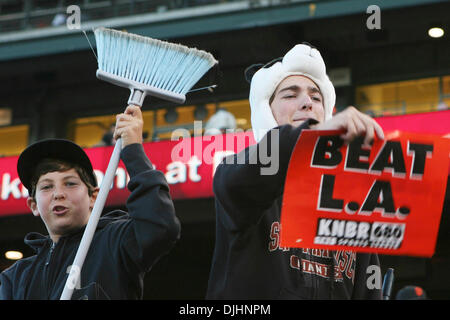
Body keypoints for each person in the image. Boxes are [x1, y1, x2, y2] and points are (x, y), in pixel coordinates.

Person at [206, 43, 384, 299]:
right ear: (266, 110)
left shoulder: (352, 203)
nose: (307, 103)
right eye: (290, 95)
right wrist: (311, 135)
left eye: (316, 97)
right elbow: (237, 182)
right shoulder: (240, 172)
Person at [0, 105, 181, 300]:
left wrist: (133, 150)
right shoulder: (16, 277)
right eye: (47, 187)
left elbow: (160, 226)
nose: (58, 194)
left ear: (94, 197)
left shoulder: (115, 242)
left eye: (70, 183)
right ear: (33, 205)